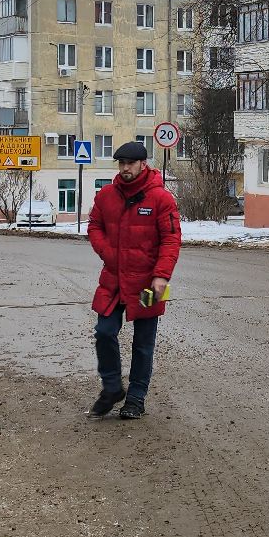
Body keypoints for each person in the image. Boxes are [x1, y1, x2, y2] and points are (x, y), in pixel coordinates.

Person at [86, 141, 181, 420]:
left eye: (130, 163)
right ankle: (113, 387)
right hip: (113, 279)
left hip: (147, 284)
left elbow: (171, 239)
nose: (125, 168)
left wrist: (161, 276)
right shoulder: (106, 196)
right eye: (121, 163)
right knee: (104, 332)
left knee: (143, 343)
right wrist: (107, 252)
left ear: (142, 164)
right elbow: (95, 226)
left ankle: (136, 399)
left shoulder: (161, 198)